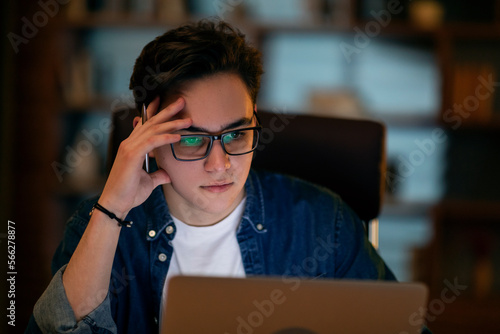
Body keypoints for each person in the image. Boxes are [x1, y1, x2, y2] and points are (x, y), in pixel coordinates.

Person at [26, 20, 398, 333]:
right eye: (191, 139)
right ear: (147, 139)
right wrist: (112, 210)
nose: (219, 164)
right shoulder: (100, 228)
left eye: (236, 134)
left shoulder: (322, 224)